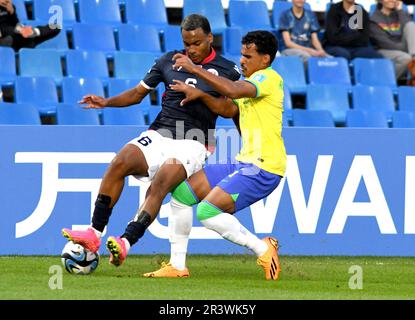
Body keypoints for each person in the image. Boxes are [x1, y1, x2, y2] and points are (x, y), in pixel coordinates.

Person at [61, 14, 240, 271]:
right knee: (119, 162)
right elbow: (137, 93)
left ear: (210, 38)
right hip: (160, 132)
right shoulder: (168, 60)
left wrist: (200, 89)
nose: (192, 50)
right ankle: (94, 232)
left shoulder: (228, 70)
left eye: (197, 43)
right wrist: (106, 102)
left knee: (162, 182)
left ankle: (126, 241)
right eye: (187, 44)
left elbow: (230, 109)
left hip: (194, 140)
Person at [144, 30, 286, 280]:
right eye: (241, 55)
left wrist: (196, 70)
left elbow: (231, 91)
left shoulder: (267, 78)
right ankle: (177, 266)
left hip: (264, 167)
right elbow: (227, 107)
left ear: (265, 59)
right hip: (243, 161)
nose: (242, 61)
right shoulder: (250, 84)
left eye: (248, 56)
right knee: (182, 194)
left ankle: (263, 249)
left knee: (207, 212)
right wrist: (201, 95)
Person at [370, 0, 415, 82]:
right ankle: (386, 81)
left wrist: (400, 11)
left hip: (404, 49)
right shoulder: (373, 19)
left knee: (410, 25)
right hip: (384, 50)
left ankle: (414, 58)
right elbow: (385, 43)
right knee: (405, 58)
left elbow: (410, 29)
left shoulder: (401, 14)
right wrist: (407, 49)